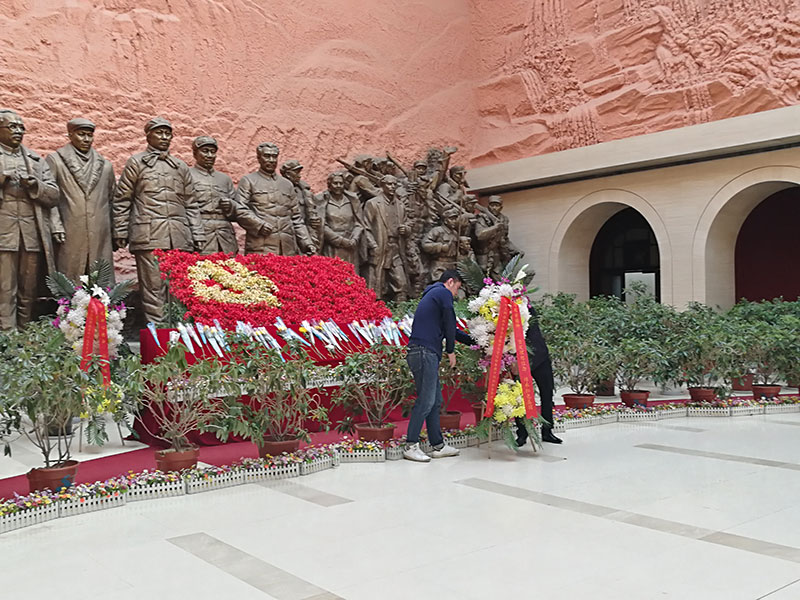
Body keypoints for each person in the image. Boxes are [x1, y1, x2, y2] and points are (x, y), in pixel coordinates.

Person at [113, 117, 204, 324]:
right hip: (149, 235)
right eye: (159, 132)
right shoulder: (136, 163)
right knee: (153, 288)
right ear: (148, 136)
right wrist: (120, 230)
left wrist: (197, 234)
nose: (164, 137)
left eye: (167, 133)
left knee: (178, 289)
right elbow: (122, 199)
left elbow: (191, 202)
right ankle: (159, 335)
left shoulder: (180, 166)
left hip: (179, 236)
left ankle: (180, 333)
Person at [404, 269, 474, 462]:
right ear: (450, 282)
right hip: (424, 352)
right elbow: (450, 325)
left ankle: (438, 445)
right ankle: (410, 445)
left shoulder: (433, 296)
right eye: (457, 288)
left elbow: (451, 328)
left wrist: (476, 342)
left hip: (424, 352)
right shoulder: (442, 293)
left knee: (435, 401)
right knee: (426, 401)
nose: (456, 294)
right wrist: (450, 351)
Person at [0, 109, 60, 329]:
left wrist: (36, 186)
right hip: (4, 232)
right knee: (5, 287)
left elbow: (54, 195)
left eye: (21, 127)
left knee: (29, 287)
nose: (18, 131)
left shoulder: (36, 160)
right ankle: (7, 333)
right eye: (12, 127)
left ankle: (25, 331)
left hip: (31, 232)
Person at [47, 118, 116, 282]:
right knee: (70, 275)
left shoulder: (105, 166)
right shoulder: (56, 161)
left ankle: (102, 299)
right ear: (70, 134)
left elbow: (113, 200)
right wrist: (55, 224)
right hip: (70, 228)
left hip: (99, 231)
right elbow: (49, 197)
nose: (86, 139)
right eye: (81, 134)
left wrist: (116, 230)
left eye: (89, 135)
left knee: (100, 278)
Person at [235, 143, 316, 256]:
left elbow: (296, 218)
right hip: (260, 247)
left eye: (274, 156)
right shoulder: (249, 181)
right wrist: (259, 225)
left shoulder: (287, 184)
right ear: (259, 158)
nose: (271, 160)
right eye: (267, 156)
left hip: (287, 249)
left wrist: (307, 243)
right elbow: (239, 209)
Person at [515, 308, 563, 446]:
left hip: (540, 356)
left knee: (547, 394)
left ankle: (547, 431)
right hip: (519, 359)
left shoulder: (527, 307)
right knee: (518, 397)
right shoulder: (500, 311)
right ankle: (522, 433)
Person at [189, 135, 238, 254]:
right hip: (201, 233)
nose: (210, 155)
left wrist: (231, 205)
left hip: (225, 236)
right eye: (205, 151)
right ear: (195, 154)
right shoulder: (188, 175)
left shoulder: (224, 179)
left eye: (213, 152)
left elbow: (238, 210)